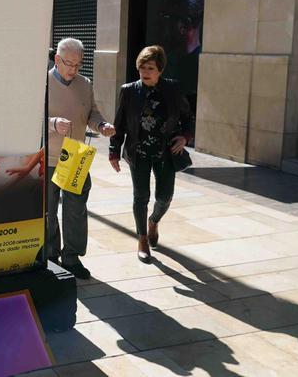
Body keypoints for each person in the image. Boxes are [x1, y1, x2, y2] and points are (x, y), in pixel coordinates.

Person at [108, 45, 193, 264]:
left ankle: (153, 221)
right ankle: (142, 239)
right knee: (141, 196)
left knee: (165, 197)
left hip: (166, 152)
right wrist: (114, 151)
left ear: (160, 70)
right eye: (142, 67)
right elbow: (120, 123)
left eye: (150, 68)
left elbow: (187, 118)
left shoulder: (173, 90)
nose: (145, 72)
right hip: (139, 151)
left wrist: (185, 138)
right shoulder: (129, 91)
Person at [46, 38, 115, 279]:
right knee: (48, 210)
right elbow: (29, 120)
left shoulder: (85, 84)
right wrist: (53, 123)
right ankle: (50, 256)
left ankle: (72, 258)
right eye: (68, 64)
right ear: (57, 59)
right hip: (48, 156)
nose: (73, 70)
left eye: (78, 65)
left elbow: (92, 112)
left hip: (74, 156)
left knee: (75, 211)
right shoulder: (42, 83)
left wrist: (102, 125)